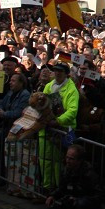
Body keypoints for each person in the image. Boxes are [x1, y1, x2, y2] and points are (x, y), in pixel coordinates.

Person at [0, 73, 30, 182]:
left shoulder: (25, 95)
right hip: (7, 126)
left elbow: (18, 113)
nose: (10, 82)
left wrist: (3, 114)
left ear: (21, 83)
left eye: (13, 81)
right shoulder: (10, 93)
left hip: (16, 128)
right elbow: (1, 103)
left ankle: (2, 173)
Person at [40, 62, 80, 191]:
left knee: (59, 163)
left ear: (66, 74)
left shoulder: (71, 90)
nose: (57, 73)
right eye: (55, 71)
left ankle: (59, 190)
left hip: (63, 131)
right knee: (45, 160)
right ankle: (46, 188)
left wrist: (58, 121)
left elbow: (72, 111)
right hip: (47, 130)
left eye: (60, 71)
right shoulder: (48, 86)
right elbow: (41, 104)